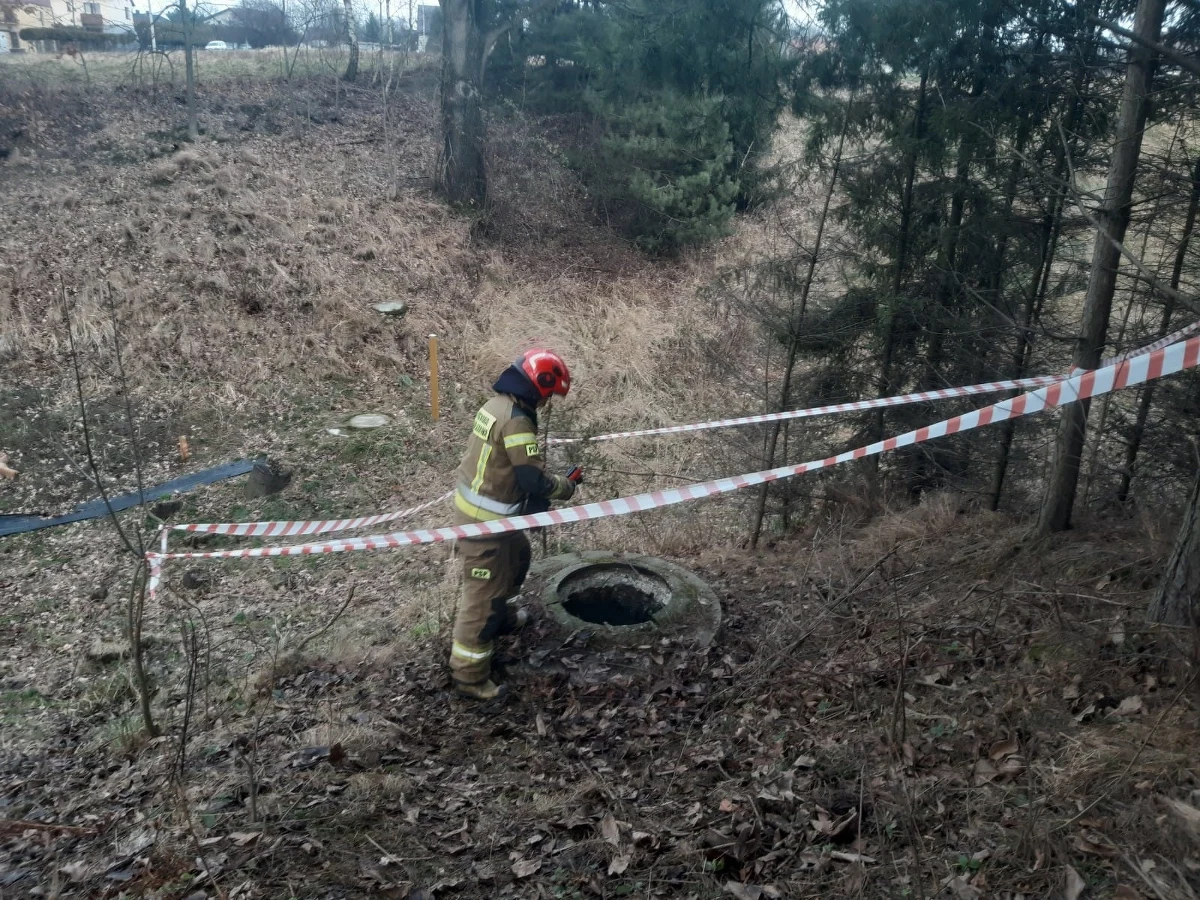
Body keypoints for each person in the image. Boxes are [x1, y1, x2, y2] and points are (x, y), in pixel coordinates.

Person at [449, 348, 581, 700]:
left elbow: (508, 467)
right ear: (539, 386)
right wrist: (565, 487)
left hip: (491, 518)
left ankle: (503, 617)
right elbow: (532, 479)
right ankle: (470, 676)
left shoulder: (496, 405)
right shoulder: (517, 421)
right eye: (548, 396)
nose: (547, 403)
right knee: (482, 598)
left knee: (519, 557)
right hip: (484, 528)